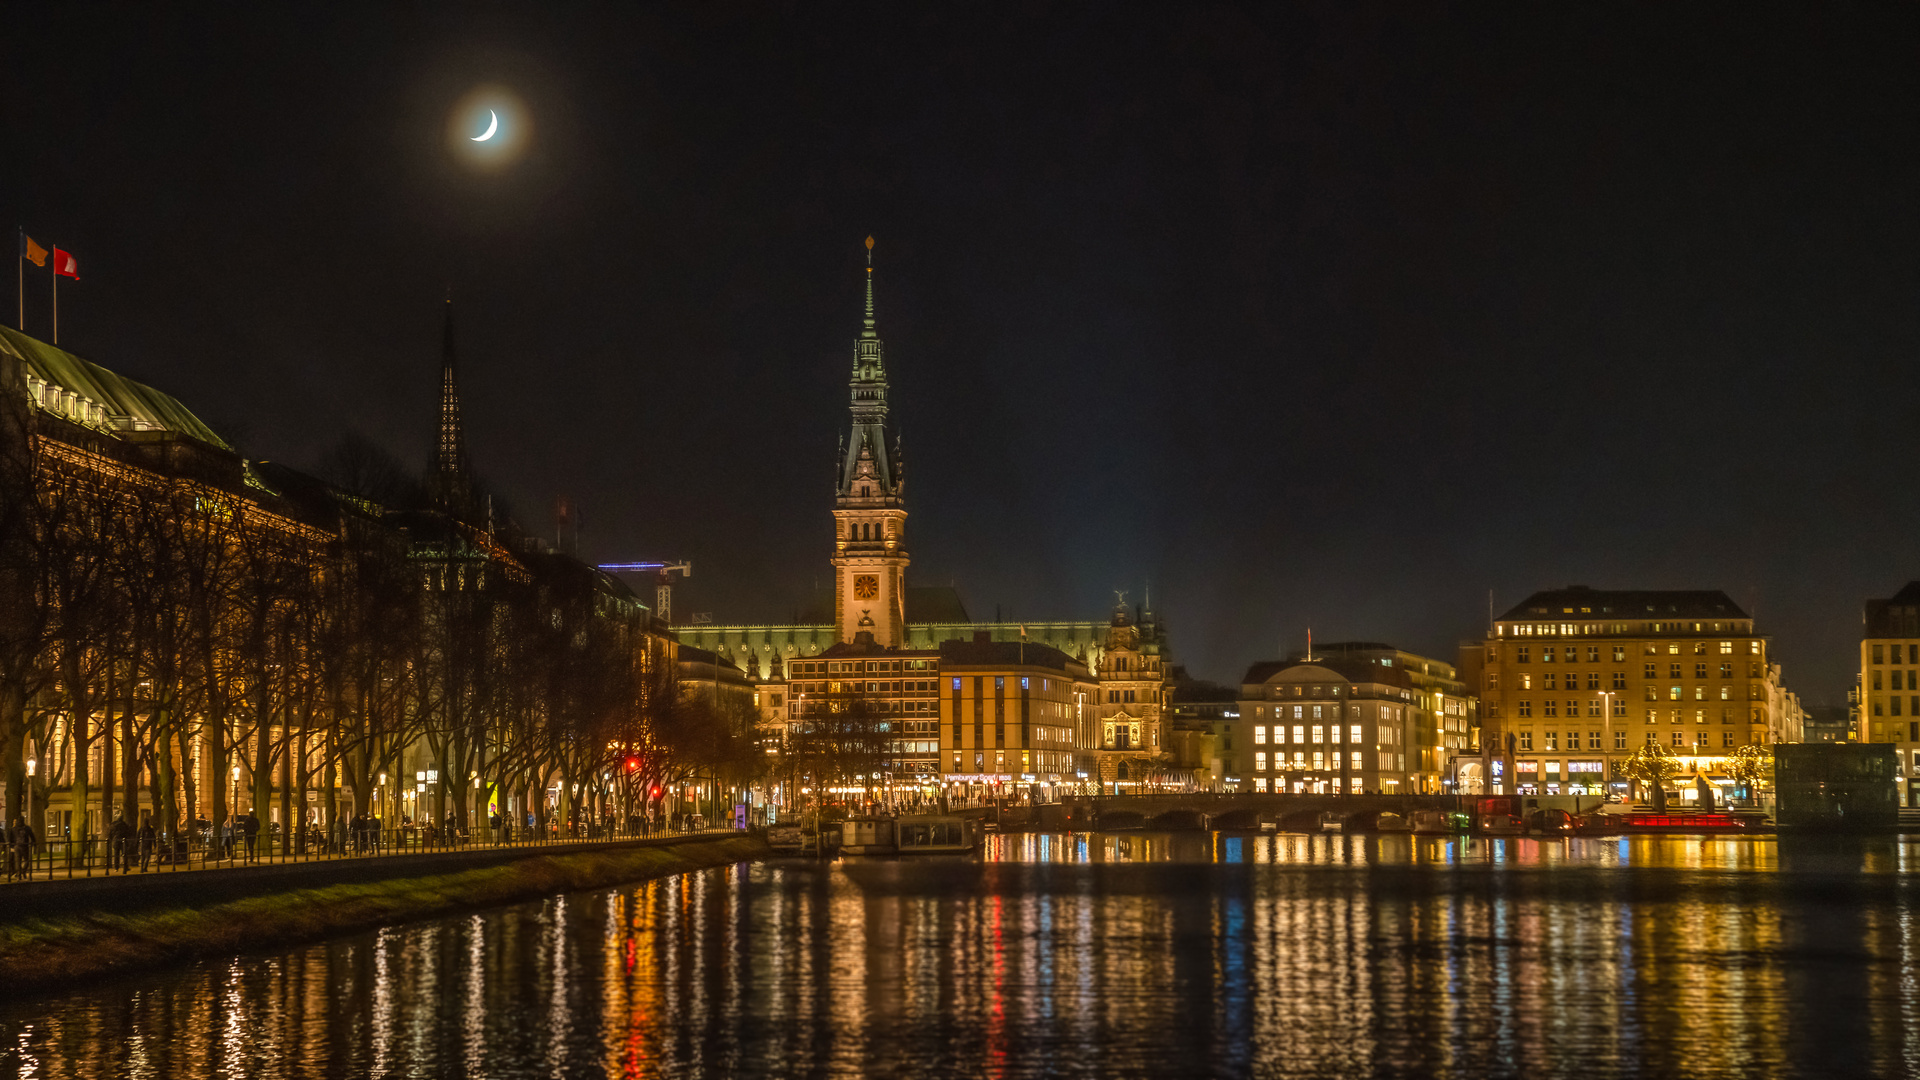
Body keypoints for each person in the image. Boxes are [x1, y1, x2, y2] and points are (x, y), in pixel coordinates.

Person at [9, 816, 38, 881]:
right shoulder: (27, 828)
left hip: (17, 846)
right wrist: (34, 844)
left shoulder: (13, 829)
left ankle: (19, 875)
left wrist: (11, 846)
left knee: (18, 861)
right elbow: (32, 836)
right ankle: (23, 871)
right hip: (25, 846)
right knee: (27, 860)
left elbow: (10, 838)